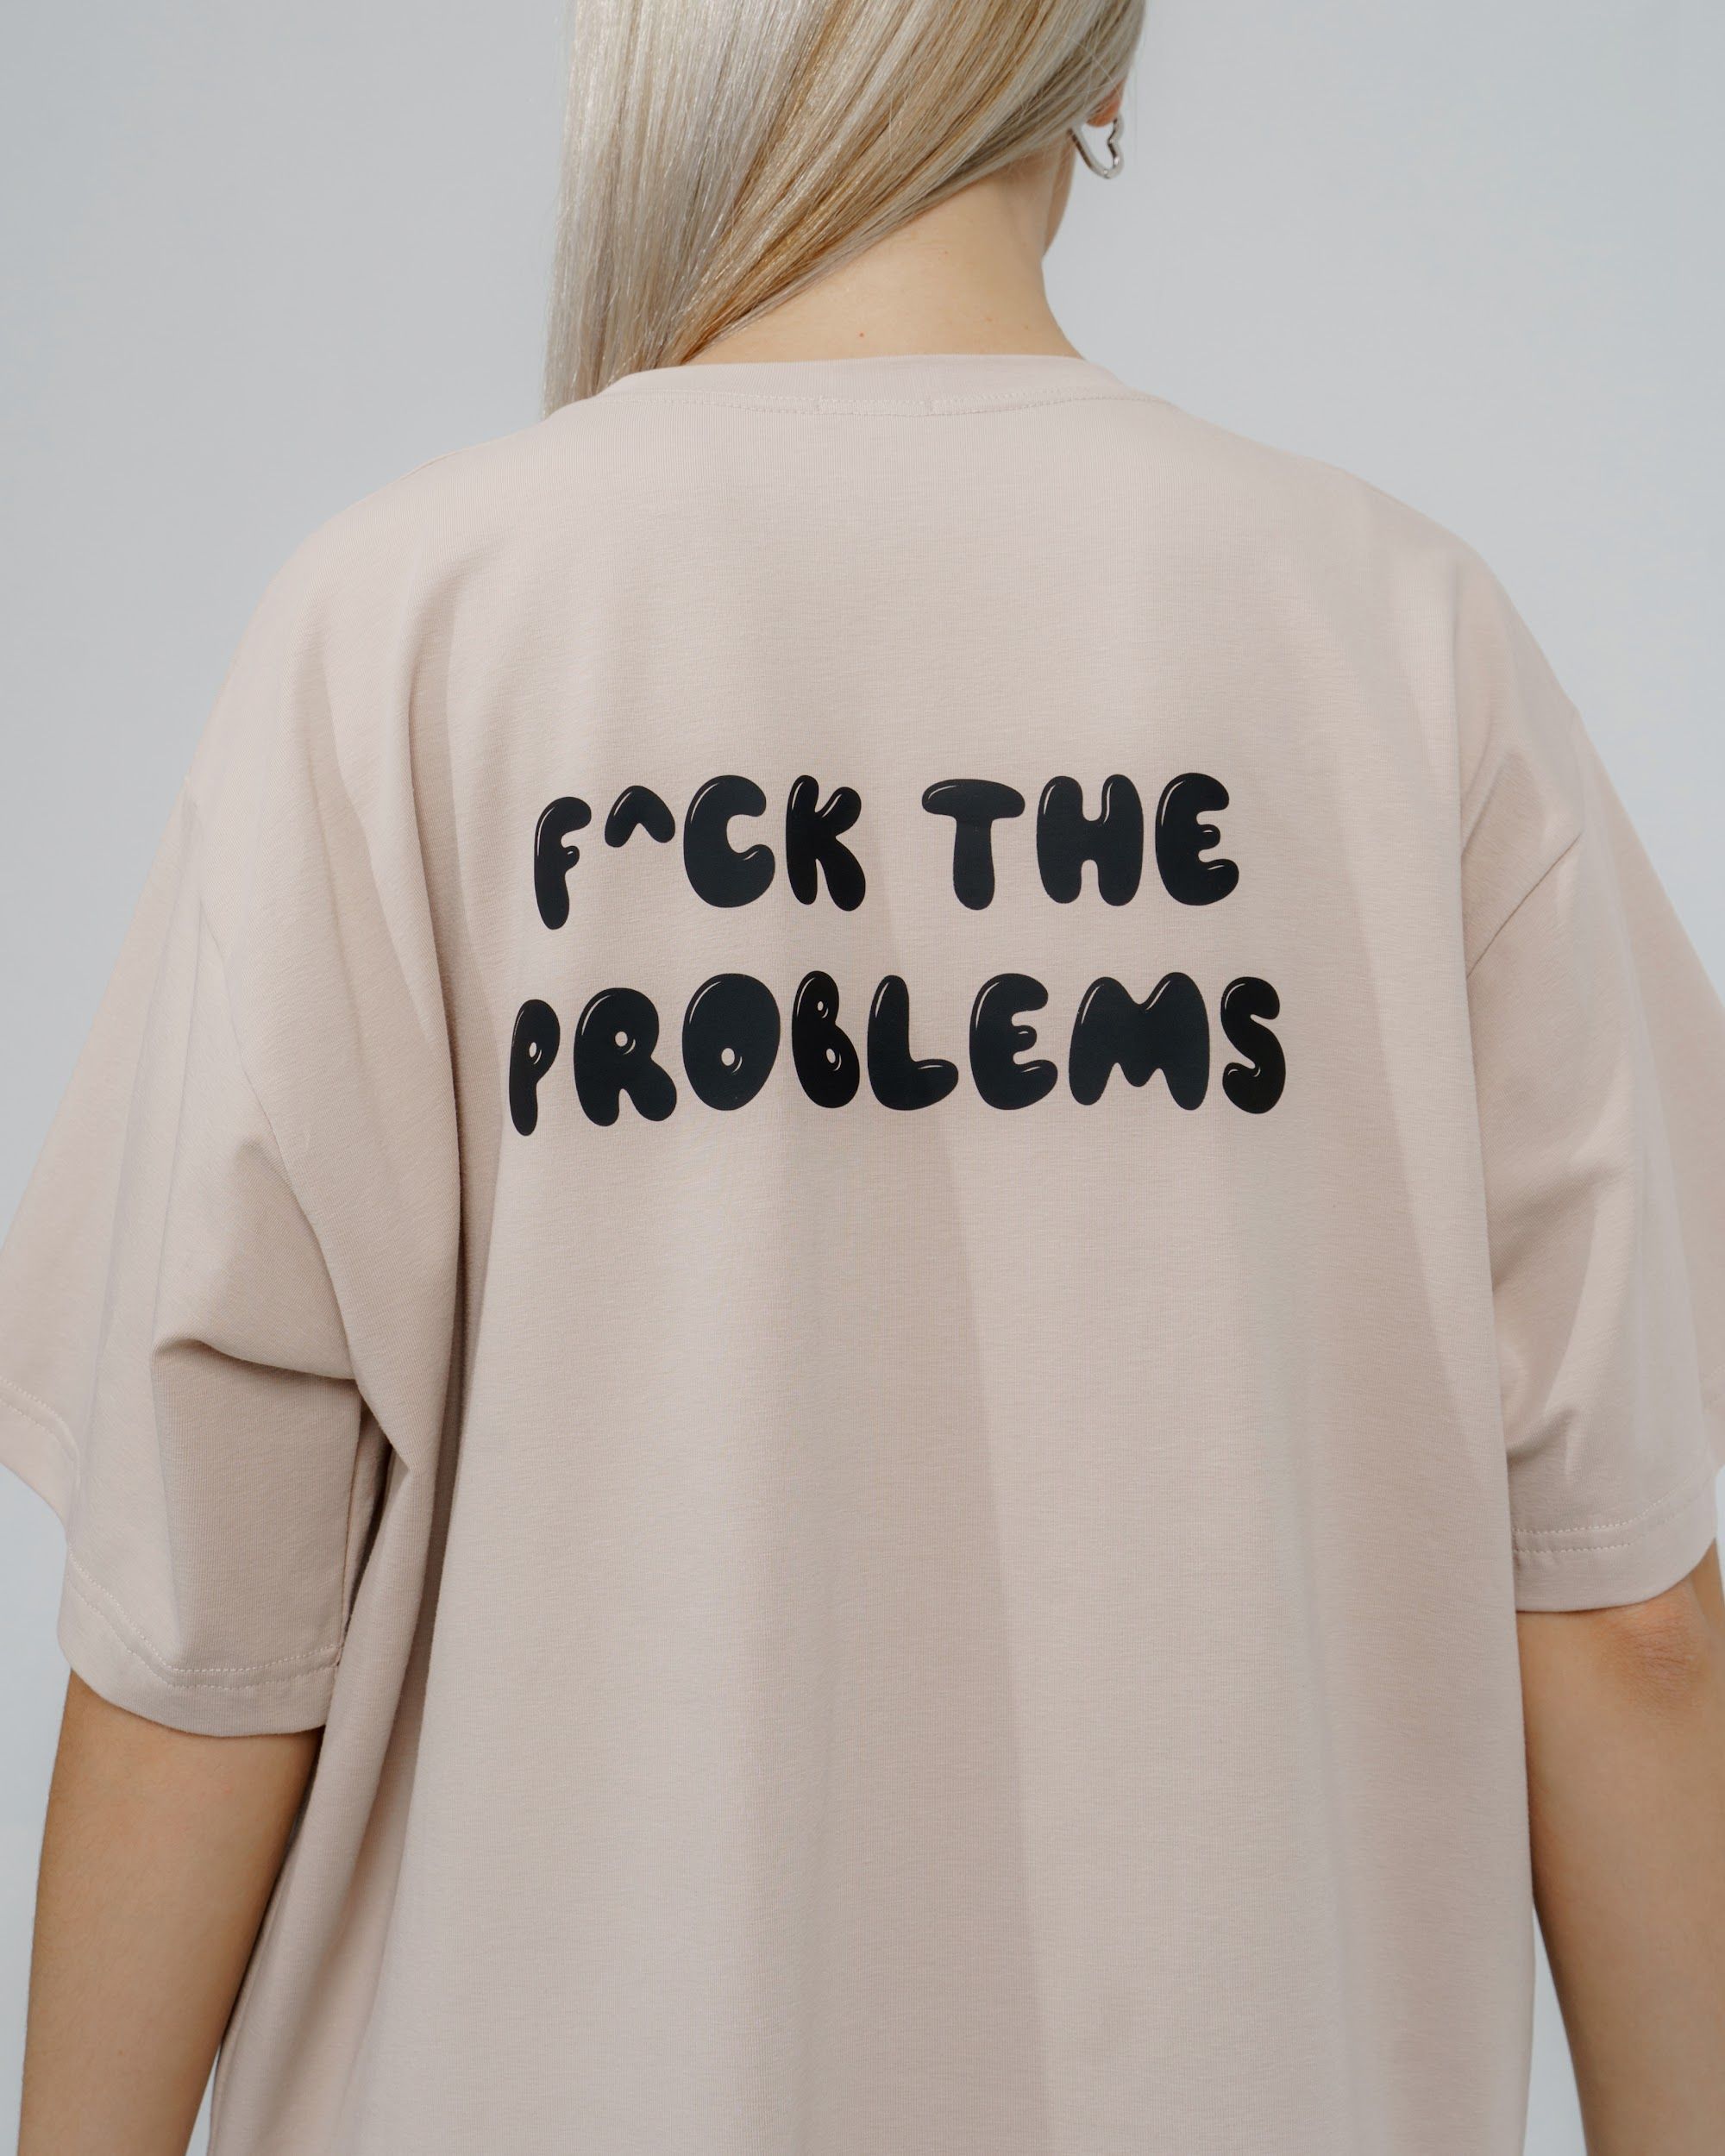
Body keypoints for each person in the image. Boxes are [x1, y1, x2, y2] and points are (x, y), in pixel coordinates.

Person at [3, 2, 1722, 2151]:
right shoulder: (1404, 643)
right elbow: (1628, 1614)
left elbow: (204, 1624)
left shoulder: (401, 633)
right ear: (1107, 65)